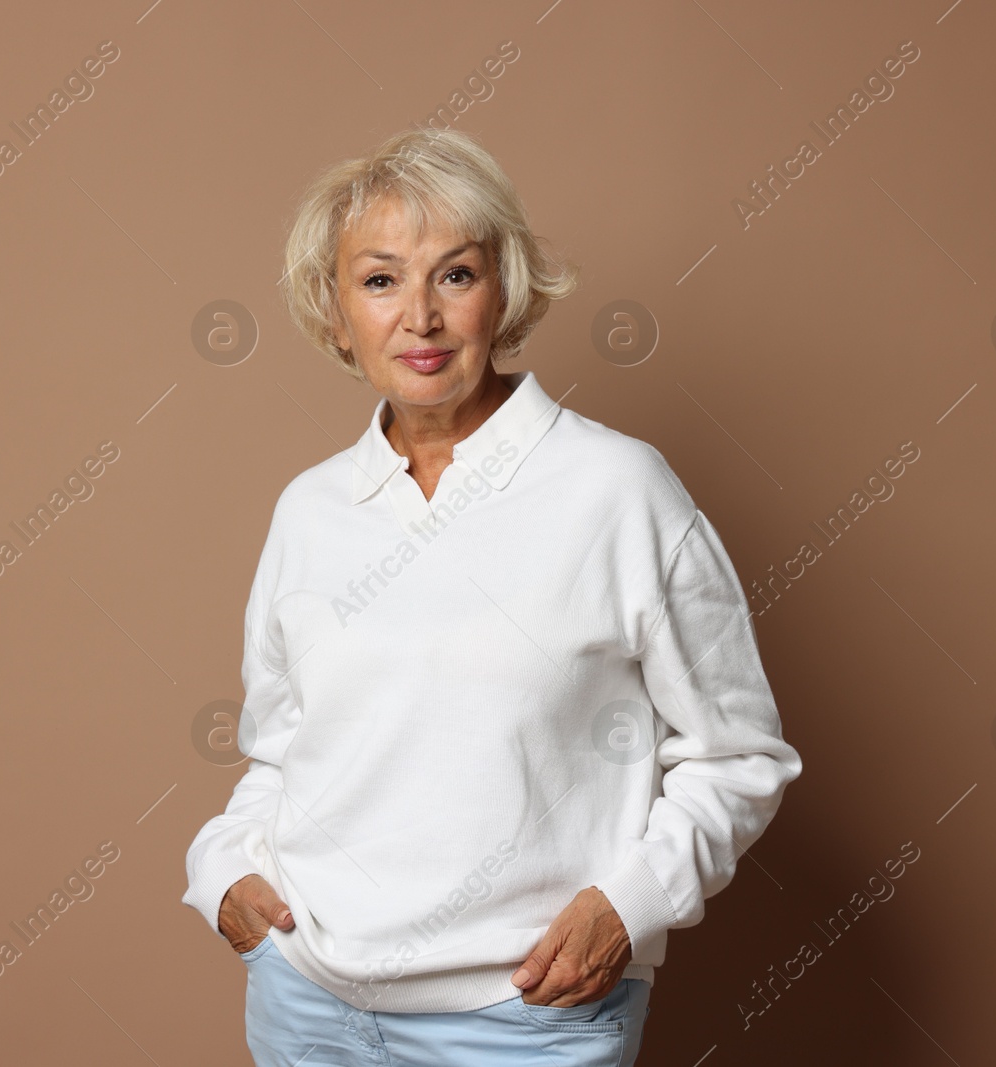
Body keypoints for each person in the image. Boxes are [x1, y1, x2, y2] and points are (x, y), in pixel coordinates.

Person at [181, 127, 802, 1067]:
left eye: (455, 276)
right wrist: (219, 866)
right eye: (380, 280)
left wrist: (629, 905)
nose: (419, 318)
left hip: (528, 1019)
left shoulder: (619, 490)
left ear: (504, 290)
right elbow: (281, 751)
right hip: (310, 1006)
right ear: (335, 307)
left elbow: (741, 755)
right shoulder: (310, 510)